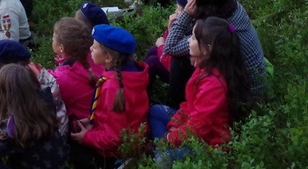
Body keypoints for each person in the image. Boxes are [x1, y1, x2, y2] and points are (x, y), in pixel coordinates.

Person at [149, 17, 251, 165]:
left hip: (208, 144)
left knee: (162, 160)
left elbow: (197, 128)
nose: (189, 40)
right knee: (156, 111)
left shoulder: (214, 84)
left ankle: (160, 153)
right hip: (194, 129)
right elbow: (188, 105)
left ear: (207, 48)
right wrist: (174, 126)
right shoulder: (204, 66)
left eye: (194, 37)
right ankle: (161, 150)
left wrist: (170, 138)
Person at [163, 0, 265, 107]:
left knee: (180, 61)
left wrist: (185, 15)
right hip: (244, 75)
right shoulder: (229, 6)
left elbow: (170, 47)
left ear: (203, 3)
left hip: (246, 93)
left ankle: (174, 107)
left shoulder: (214, 31)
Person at [69, 25, 149, 169]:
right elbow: (120, 118)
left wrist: (86, 137)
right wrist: (92, 121)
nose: (90, 50)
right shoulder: (130, 73)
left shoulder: (113, 87)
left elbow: (114, 138)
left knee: (71, 151)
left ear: (108, 57)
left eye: (94, 47)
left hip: (115, 153)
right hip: (132, 138)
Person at [50, 17, 100, 121]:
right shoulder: (95, 56)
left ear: (61, 48)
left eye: (53, 38)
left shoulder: (63, 77)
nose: (51, 40)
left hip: (87, 125)